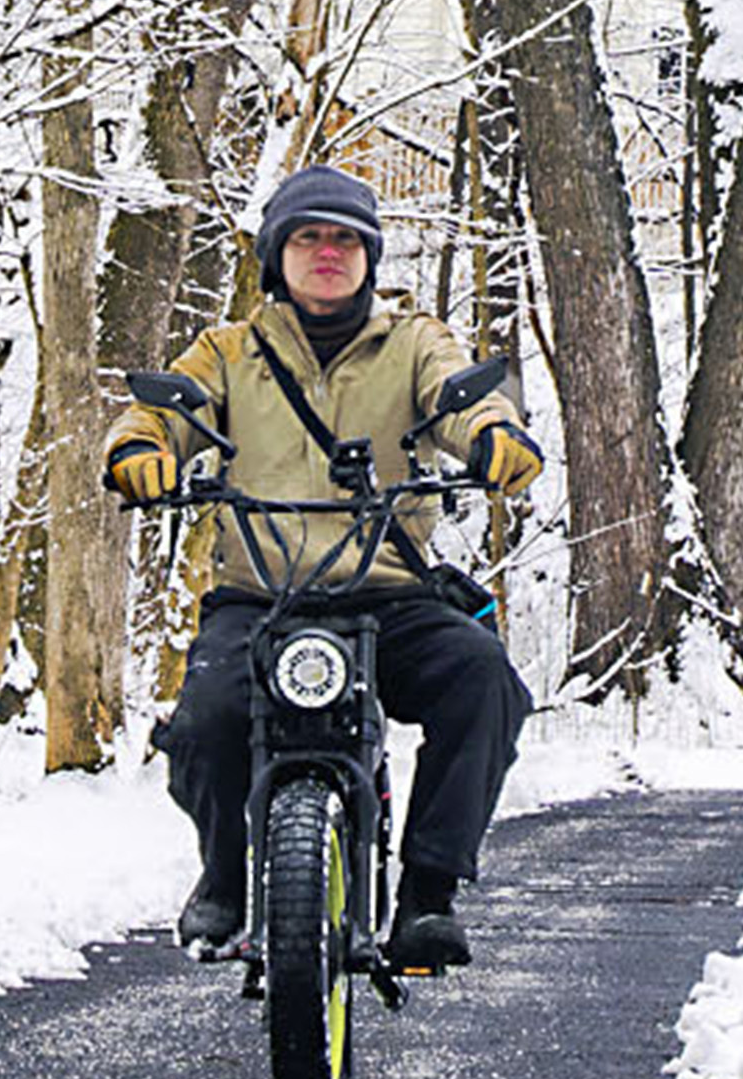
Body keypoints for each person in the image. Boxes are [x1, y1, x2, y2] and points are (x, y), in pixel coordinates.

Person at [102, 164, 542, 972]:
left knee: (486, 680)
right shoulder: (229, 351)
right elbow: (164, 410)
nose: (329, 251)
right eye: (309, 236)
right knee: (200, 722)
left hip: (392, 596)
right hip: (261, 598)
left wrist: (492, 434)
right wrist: (141, 449)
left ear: (371, 255)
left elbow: (461, 394)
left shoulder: (413, 341)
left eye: (347, 238)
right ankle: (225, 878)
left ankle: (429, 893)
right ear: (278, 254)